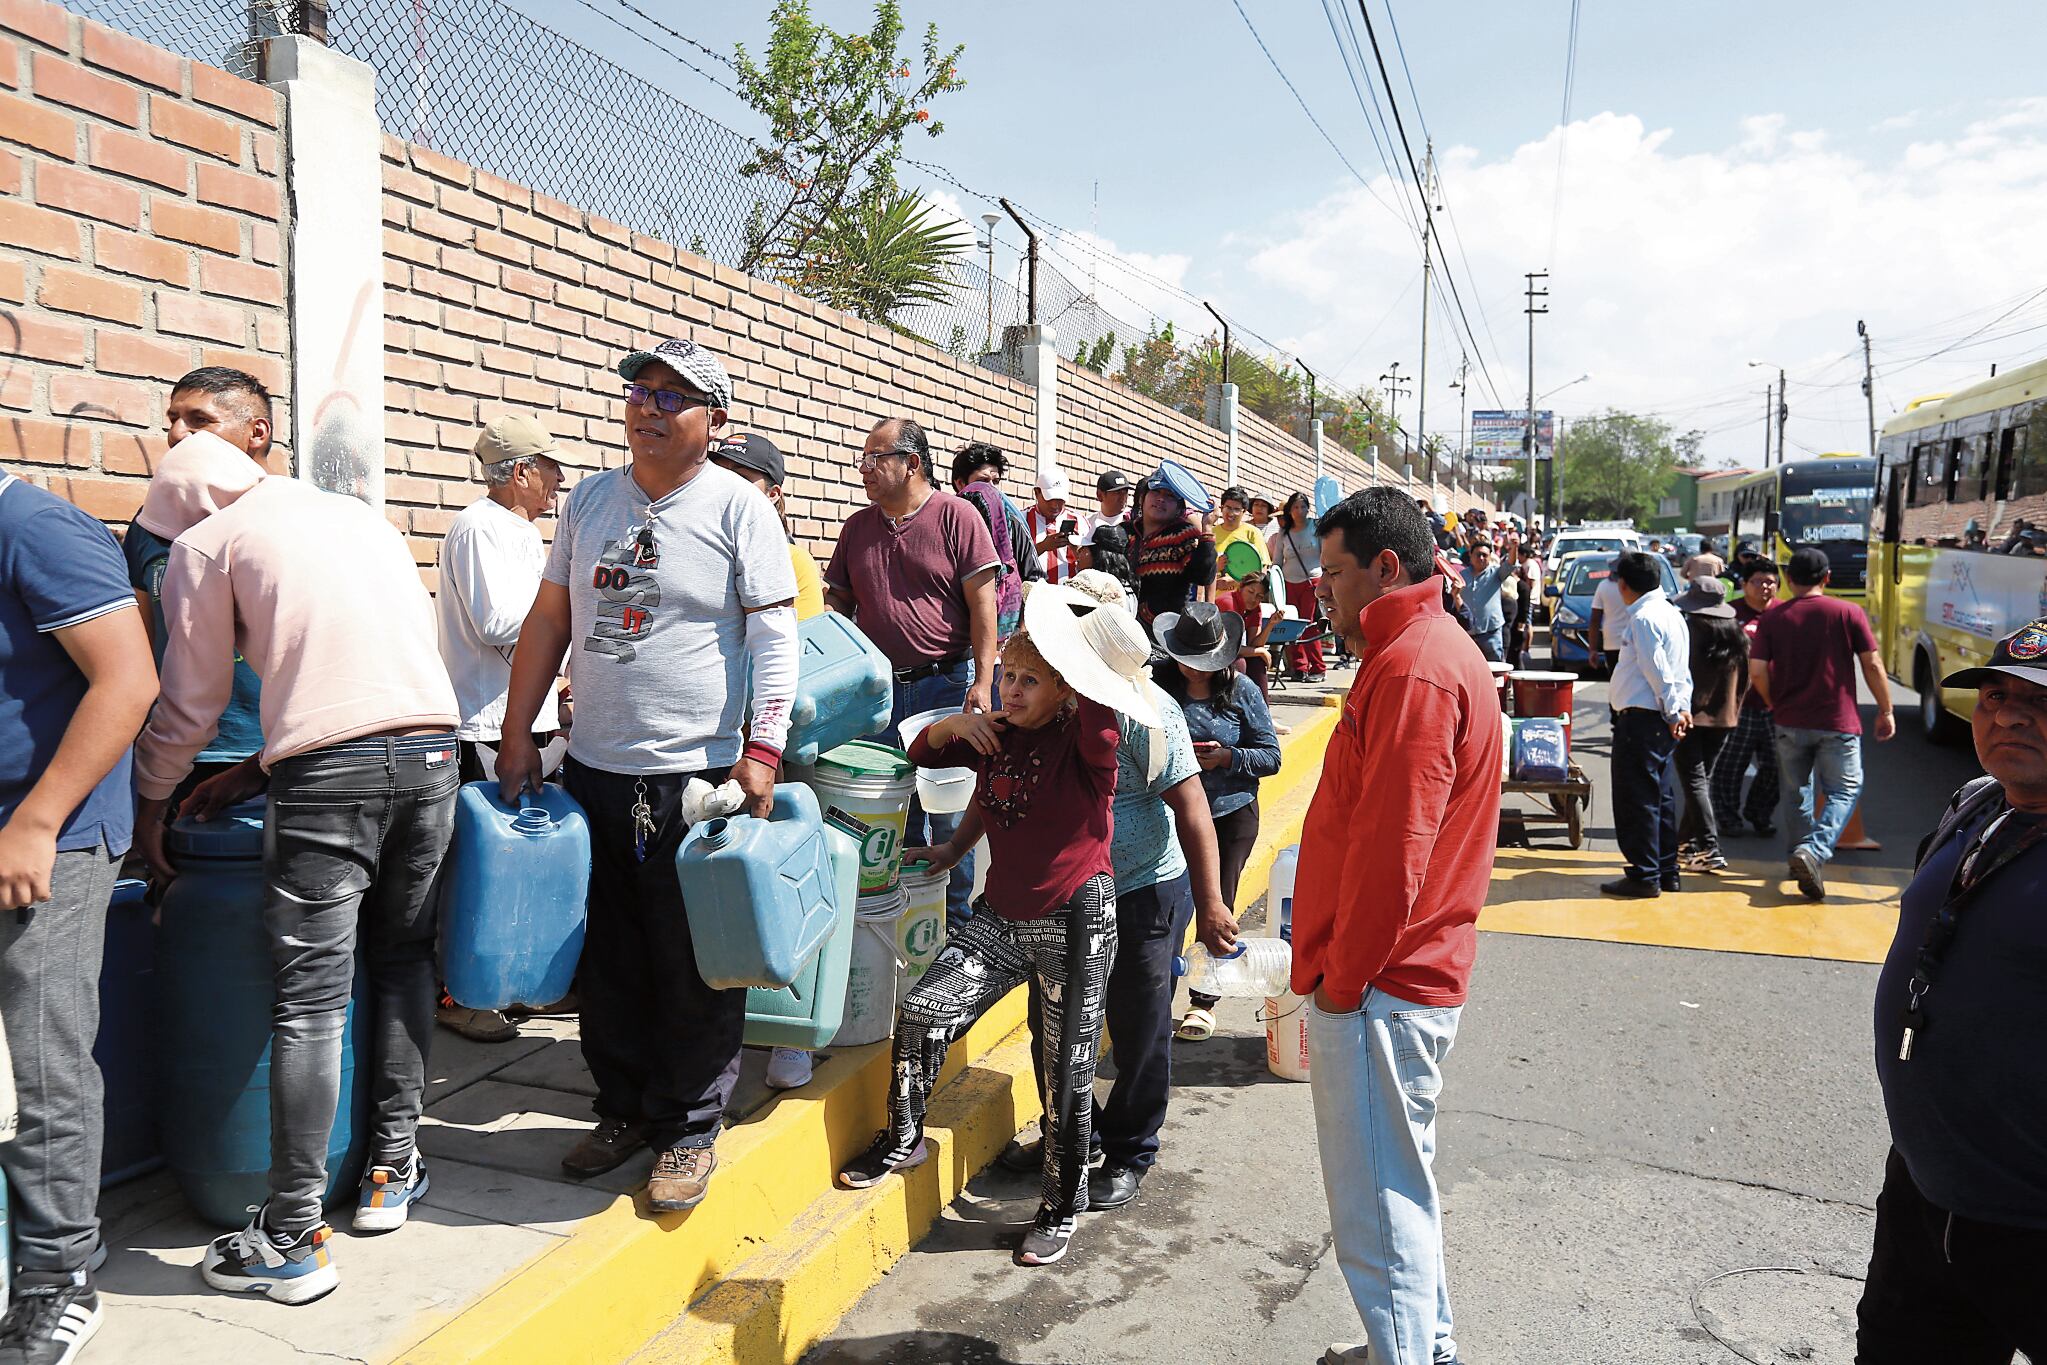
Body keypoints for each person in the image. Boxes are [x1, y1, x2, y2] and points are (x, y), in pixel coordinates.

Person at [131, 427, 461, 1301]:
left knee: (309, 1001)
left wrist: (149, 797)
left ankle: (290, 1233)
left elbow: (191, 705)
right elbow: (368, 679)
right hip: (432, 755)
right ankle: (393, 1169)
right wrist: (258, 765)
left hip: (330, 780)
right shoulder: (360, 520)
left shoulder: (205, 542)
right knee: (400, 962)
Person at [495, 336, 799, 1214]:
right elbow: (551, 614)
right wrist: (520, 730)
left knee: (695, 960)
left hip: (696, 776)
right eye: (641, 392)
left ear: (717, 420)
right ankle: (623, 1108)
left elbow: (775, 639)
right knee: (613, 958)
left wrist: (763, 750)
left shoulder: (742, 510)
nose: (650, 408)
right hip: (596, 766)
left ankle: (690, 1125)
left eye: (675, 397)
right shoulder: (589, 500)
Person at [838, 584, 1159, 1268]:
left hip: (1076, 920)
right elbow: (921, 752)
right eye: (1007, 676)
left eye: (1029, 681)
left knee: (1064, 1074)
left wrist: (1079, 655)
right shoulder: (996, 737)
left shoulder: (1087, 742)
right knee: (923, 1011)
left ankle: (1059, 1204)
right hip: (1000, 919)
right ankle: (903, 1135)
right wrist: (958, 726)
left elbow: (1100, 705)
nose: (1011, 691)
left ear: (1064, 689)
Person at [1293, 487, 1502, 1365]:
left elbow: (1391, 855)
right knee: (1397, 1194)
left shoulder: (1415, 666)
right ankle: (1420, 1347)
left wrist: (1343, 986)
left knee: (1375, 1208)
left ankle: (1407, 1354)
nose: (1322, 594)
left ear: (1385, 567)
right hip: (1393, 977)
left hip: (1383, 982)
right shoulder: (1419, 650)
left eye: (1334, 574)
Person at [995, 570, 1238, 1212]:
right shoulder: (1048, 699)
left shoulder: (1148, 712)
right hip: (1064, 896)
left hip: (1141, 891)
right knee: (1053, 1026)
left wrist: (1211, 902)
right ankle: (1069, 1136)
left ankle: (1130, 1147)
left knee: (1137, 1027)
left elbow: (1190, 808)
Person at [1855, 617, 2047, 1362]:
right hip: (1923, 1188)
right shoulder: (1974, 803)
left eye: (2037, 701)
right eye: (1994, 696)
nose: (2006, 716)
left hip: (2029, 1221)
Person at [0, 468, 157, 1363]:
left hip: (46, 831)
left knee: (42, 1052)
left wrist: (35, 820)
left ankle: (62, 1277)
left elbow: (128, 682)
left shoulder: (34, 526)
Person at [826, 418, 1000, 932]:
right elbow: (838, 603)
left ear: (912, 464)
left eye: (876, 458)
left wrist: (984, 681)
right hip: (875, 694)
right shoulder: (858, 528)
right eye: (863, 458)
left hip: (942, 685)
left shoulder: (957, 516)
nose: (865, 469)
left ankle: (959, 929)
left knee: (946, 812)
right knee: (890, 812)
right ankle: (900, 926)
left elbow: (983, 604)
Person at [433, 413, 567, 1045]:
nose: (558, 485)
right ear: (520, 473)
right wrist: (571, 623)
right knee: (480, 866)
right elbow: (498, 622)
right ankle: (460, 993)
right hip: (488, 723)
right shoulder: (481, 526)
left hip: (525, 719)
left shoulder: (514, 530)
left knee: (520, 863)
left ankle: (511, 981)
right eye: (550, 471)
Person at [125, 368, 270, 806]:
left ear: (256, 432)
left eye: (199, 420)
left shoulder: (290, 519)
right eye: (171, 419)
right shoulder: (149, 526)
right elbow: (140, 635)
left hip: (273, 752)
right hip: (179, 756)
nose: (176, 433)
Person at [1153, 603, 1281, 1043]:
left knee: (1217, 905)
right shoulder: (1158, 684)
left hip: (1229, 813)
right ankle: (1158, 996)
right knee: (1169, 910)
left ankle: (1203, 1002)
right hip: (1169, 815)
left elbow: (1271, 756)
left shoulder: (1242, 690)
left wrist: (1227, 757)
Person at [1748, 546, 1895, 901]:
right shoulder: (1848, 612)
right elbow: (1872, 665)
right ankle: (1814, 851)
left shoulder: (1773, 618)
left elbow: (1757, 671)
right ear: (1827, 578)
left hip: (1788, 720)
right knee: (1844, 790)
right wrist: (1886, 709)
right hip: (1837, 721)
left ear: (1788, 579)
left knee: (1796, 792)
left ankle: (1799, 855)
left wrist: (1772, 703)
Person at [1601, 551, 1693, 899]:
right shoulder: (1671, 613)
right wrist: (1678, 709)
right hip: (1657, 719)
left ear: (1624, 585)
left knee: (1637, 799)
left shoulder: (1643, 617)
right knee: (1660, 797)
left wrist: (1673, 710)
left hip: (1642, 720)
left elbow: (1659, 672)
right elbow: (1678, 673)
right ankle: (1665, 870)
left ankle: (1644, 874)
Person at [1672, 576, 1748, 876]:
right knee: (1701, 782)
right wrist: (1734, 711)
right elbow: (1745, 681)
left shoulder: (1689, 631)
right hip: (1724, 718)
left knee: (1694, 781)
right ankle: (1682, 844)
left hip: (1690, 716)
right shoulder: (1737, 634)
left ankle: (1708, 846)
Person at [710, 432, 826, 621]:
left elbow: (802, 642)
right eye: (720, 474)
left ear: (772, 494)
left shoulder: (794, 561)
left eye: (741, 478)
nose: (726, 486)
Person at [1712, 561, 1783, 838]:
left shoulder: (1784, 614)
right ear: (1744, 585)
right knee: (1731, 766)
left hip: (1776, 706)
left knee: (1775, 767)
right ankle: (1728, 818)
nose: (1765, 587)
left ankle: (1759, 814)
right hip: (1738, 706)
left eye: (1770, 582)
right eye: (1758, 581)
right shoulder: (1731, 615)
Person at [1128, 465, 1215, 626]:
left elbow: (1203, 576)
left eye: (1169, 496)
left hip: (1166, 633)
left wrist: (1207, 529)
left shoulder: (1183, 534)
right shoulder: (1125, 532)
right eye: (1156, 491)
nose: (1161, 499)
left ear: (1179, 508)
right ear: (1142, 498)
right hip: (1122, 625)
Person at [951, 442, 1043, 591]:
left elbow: (1035, 578)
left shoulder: (1012, 523)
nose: (991, 489)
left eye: (996, 482)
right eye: (983, 482)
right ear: (961, 483)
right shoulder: (948, 522)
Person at [1271, 492, 1325, 681]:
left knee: (1309, 623)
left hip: (1312, 582)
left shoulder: (1316, 527)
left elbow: (1325, 554)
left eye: (1303, 506)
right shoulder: (1283, 533)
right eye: (1295, 507)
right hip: (1288, 583)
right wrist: (1273, 581)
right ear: (1289, 510)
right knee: (1292, 624)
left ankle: (1318, 667)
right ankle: (1300, 667)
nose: (1299, 511)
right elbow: (1277, 560)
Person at [1215, 569, 1280, 697]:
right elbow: (1229, 648)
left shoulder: (1255, 609)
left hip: (1231, 650)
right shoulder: (1228, 603)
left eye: (1259, 596)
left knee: (1257, 661)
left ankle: (1262, 711)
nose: (1253, 599)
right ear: (1241, 587)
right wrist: (1260, 651)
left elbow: (1254, 643)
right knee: (1240, 663)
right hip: (1215, 653)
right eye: (1250, 592)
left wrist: (1271, 624)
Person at [1459, 540, 1512, 662]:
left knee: (1495, 670)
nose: (1481, 558)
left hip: (1491, 632)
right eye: (1478, 554)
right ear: (1470, 556)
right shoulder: (1461, 575)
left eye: (1485, 555)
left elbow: (1510, 565)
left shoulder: (1496, 574)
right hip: (1468, 634)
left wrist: (1514, 547)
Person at [1210, 485, 1269, 590]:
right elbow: (1201, 570)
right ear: (1222, 507)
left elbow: (1262, 569)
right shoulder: (1211, 534)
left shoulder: (1252, 533)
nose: (1231, 513)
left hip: (1242, 599)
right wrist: (1216, 568)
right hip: (1214, 599)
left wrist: (1235, 581)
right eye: (1228, 507)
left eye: (1237, 509)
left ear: (1244, 511)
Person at [1025, 470, 1079, 585]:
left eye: (1060, 499)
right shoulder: (1021, 520)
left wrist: (1077, 549)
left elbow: (1091, 565)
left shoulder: (1080, 522)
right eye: (1050, 499)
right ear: (1036, 493)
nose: (1055, 505)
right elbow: (1012, 559)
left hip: (1069, 596)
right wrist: (1042, 547)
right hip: (1033, 596)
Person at [1587, 554, 1628, 674]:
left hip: (1612, 642)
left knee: (1616, 681)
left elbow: (1595, 619)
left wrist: (1593, 650)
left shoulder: (1603, 586)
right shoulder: (1639, 587)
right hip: (1636, 643)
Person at [1079, 468, 1133, 546]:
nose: (1123, 497)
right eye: (1117, 492)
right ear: (1100, 495)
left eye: (1125, 492)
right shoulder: (1088, 524)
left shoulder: (1132, 521)